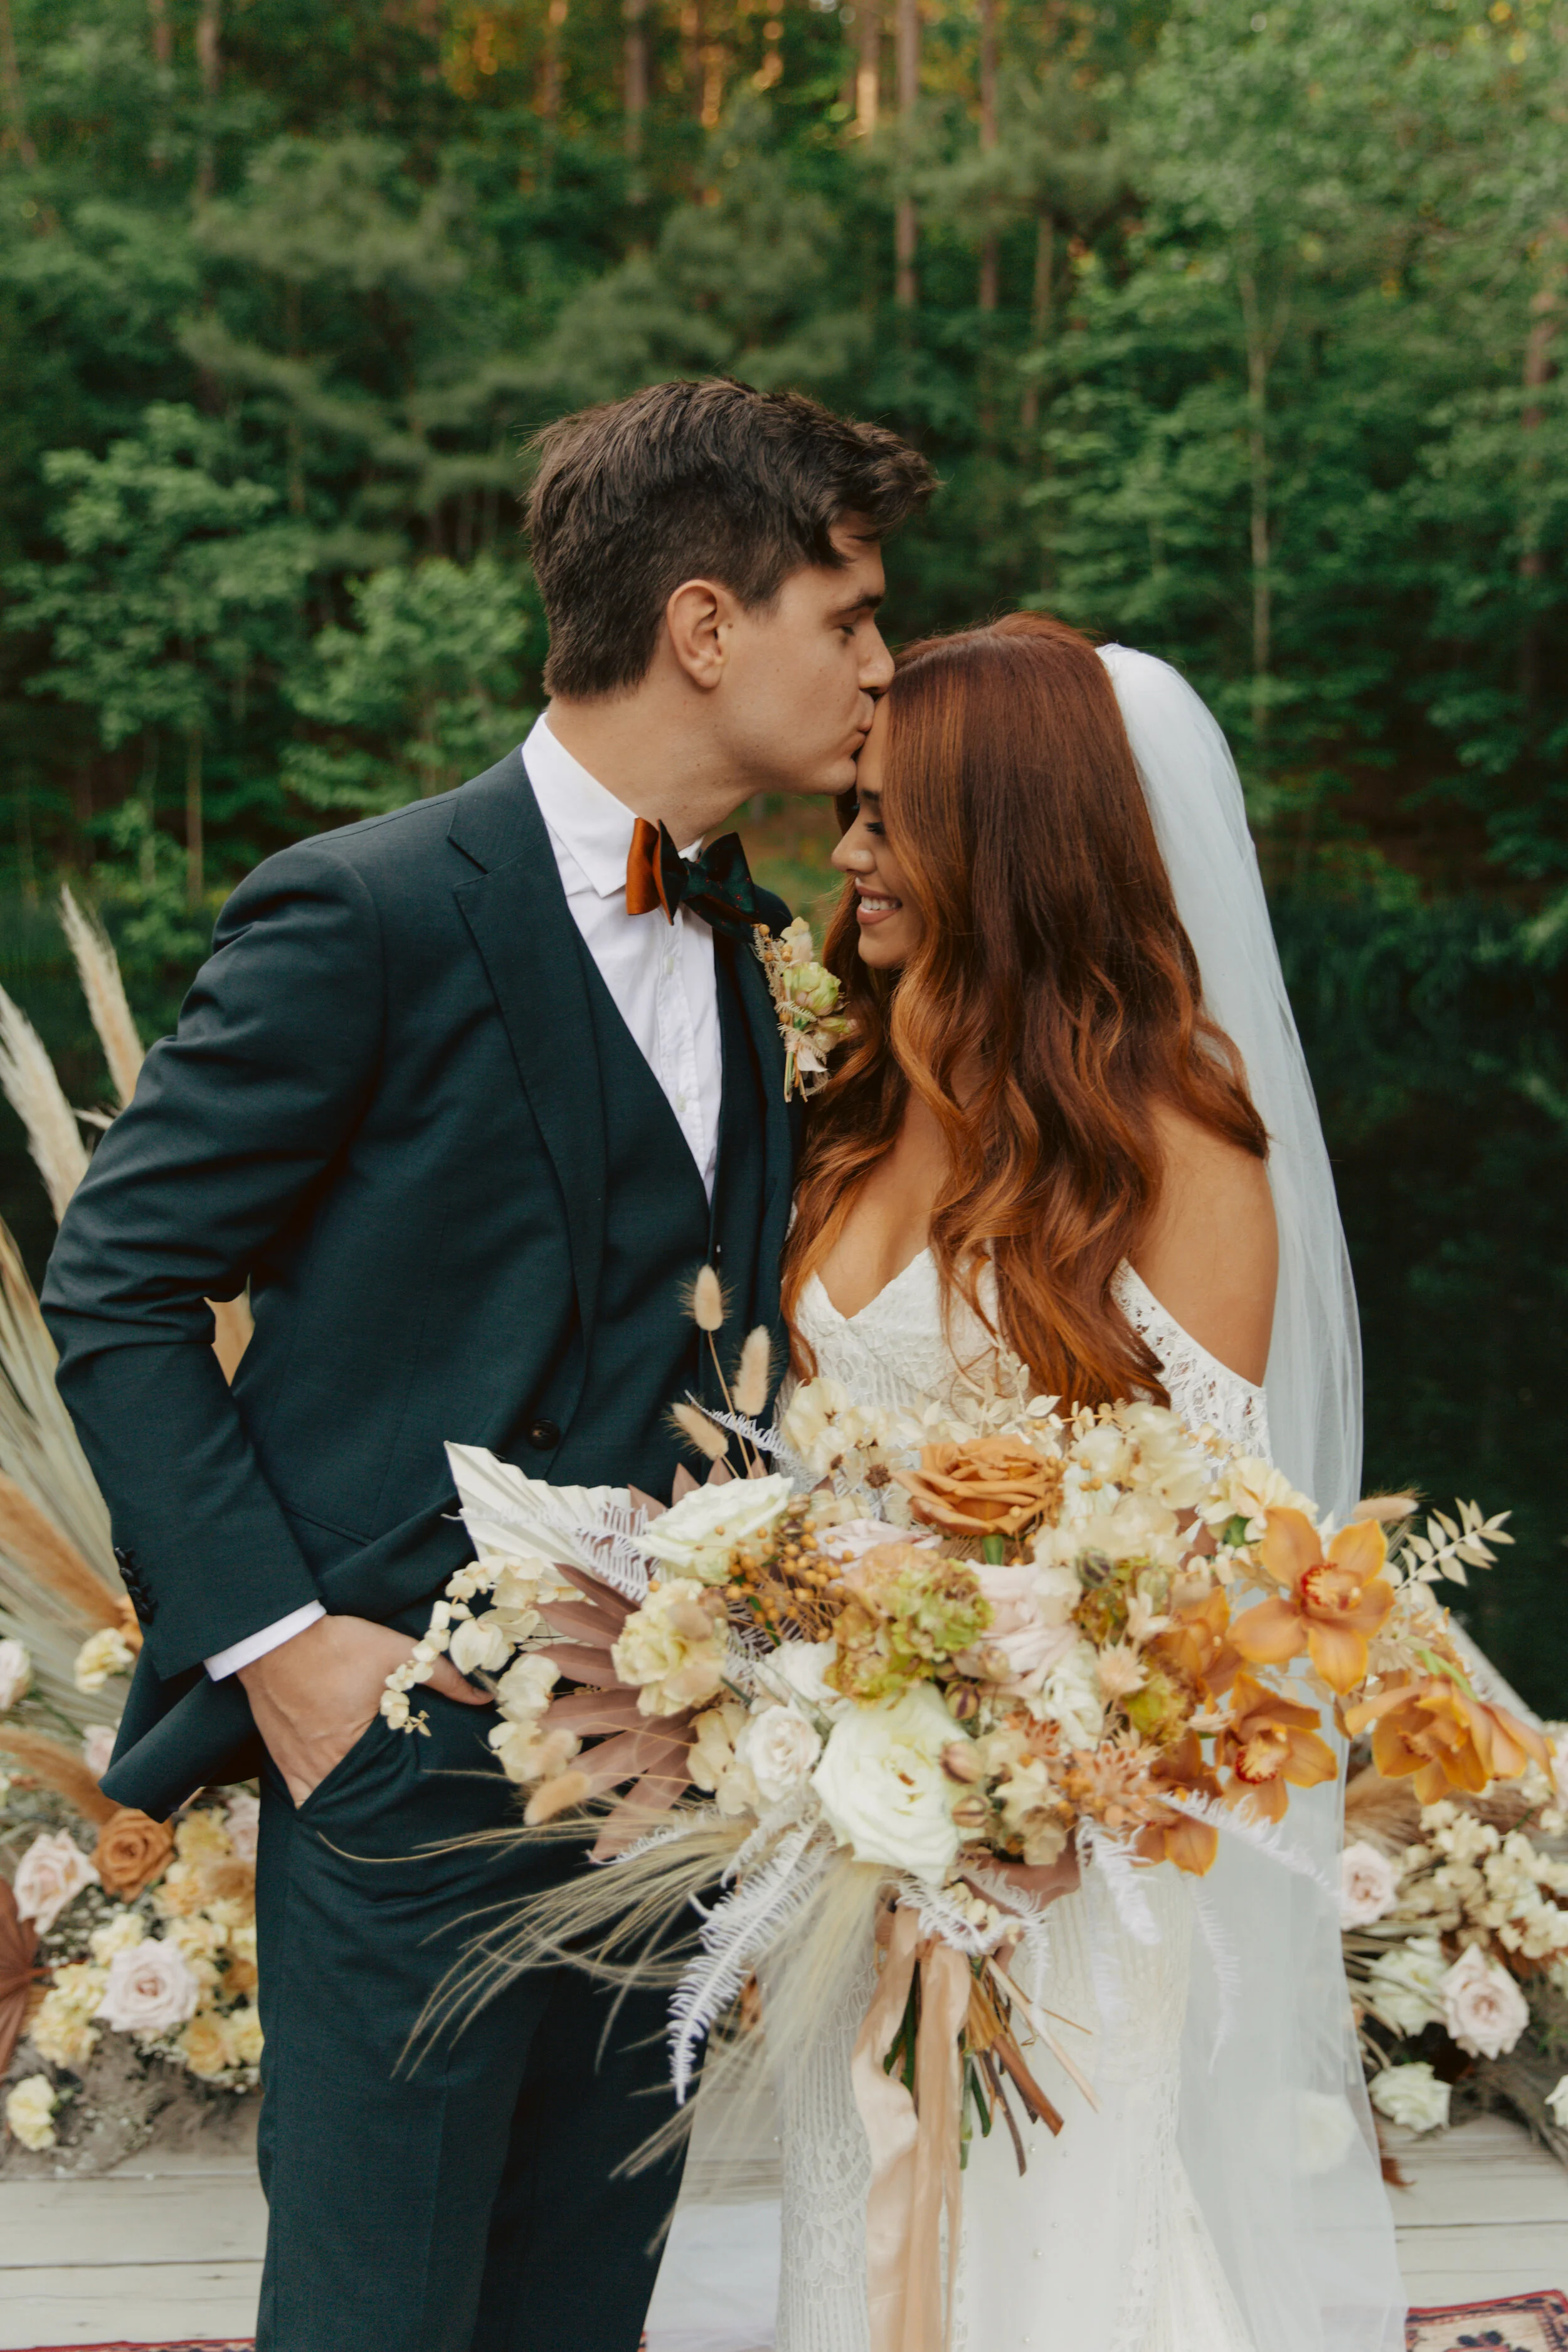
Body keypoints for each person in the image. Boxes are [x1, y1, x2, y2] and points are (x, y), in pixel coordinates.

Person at [40, 377, 933, 2352]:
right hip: (402, 1752)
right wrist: (290, 1659)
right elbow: (116, 1286)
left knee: (572, 2311)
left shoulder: (740, 937)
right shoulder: (363, 909)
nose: (879, 667)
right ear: (706, 625)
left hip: (669, 1786)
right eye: (849, 615)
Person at [768, 613, 1407, 2352]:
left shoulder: (1175, 1147)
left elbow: (1216, 1554)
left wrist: (1034, 1795)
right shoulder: (840, 1087)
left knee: (1056, 2256)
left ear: (1011, 842)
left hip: (1070, 1849)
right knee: (852, 2216)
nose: (844, 853)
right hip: (835, 1811)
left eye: (890, 820)